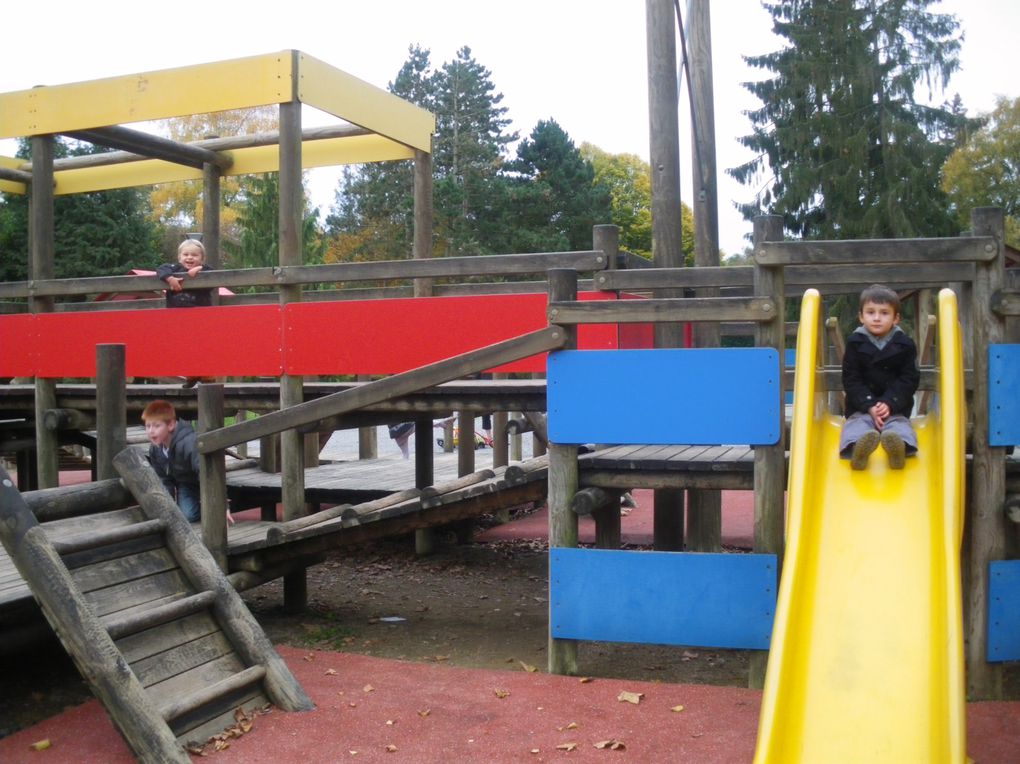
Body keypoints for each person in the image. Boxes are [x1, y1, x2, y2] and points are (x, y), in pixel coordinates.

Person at [840, 284, 920, 470]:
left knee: (899, 426)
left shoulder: (905, 345)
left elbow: (909, 378)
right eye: (870, 312)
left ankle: (898, 449)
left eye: (884, 313)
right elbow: (851, 378)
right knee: (856, 425)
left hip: (895, 407)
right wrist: (868, 405)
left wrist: (889, 402)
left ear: (896, 318)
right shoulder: (855, 343)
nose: (877, 318)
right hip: (861, 407)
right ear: (861, 316)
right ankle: (858, 450)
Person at [157, 238, 216, 387]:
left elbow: (214, 273)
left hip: (200, 318)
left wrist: (199, 270)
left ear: (202, 259)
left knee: (202, 345)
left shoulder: (206, 271)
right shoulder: (174, 270)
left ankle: (207, 376)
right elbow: (161, 269)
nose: (189, 257)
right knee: (185, 347)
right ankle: (191, 375)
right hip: (178, 319)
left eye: (195, 255)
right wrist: (170, 279)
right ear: (179, 257)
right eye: (186, 254)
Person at [142, 399, 202, 521]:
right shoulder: (155, 449)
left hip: (202, 480)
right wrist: (166, 506)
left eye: (156, 426)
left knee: (192, 513)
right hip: (186, 483)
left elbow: (206, 472)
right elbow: (164, 479)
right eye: (148, 426)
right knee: (186, 515)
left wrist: (221, 504)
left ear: (170, 425)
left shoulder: (189, 443)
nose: (151, 431)